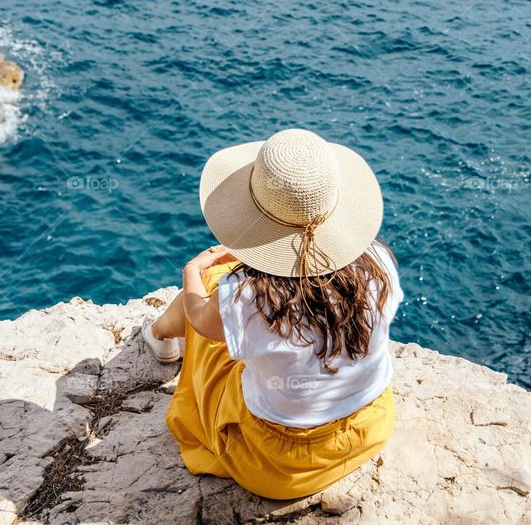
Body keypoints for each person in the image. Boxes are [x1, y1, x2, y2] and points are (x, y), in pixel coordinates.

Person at [141, 128, 403, 500]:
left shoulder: (247, 299)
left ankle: (161, 337)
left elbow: (199, 318)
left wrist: (191, 272)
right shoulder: (379, 264)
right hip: (368, 430)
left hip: (277, 467)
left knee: (214, 285)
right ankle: (162, 335)